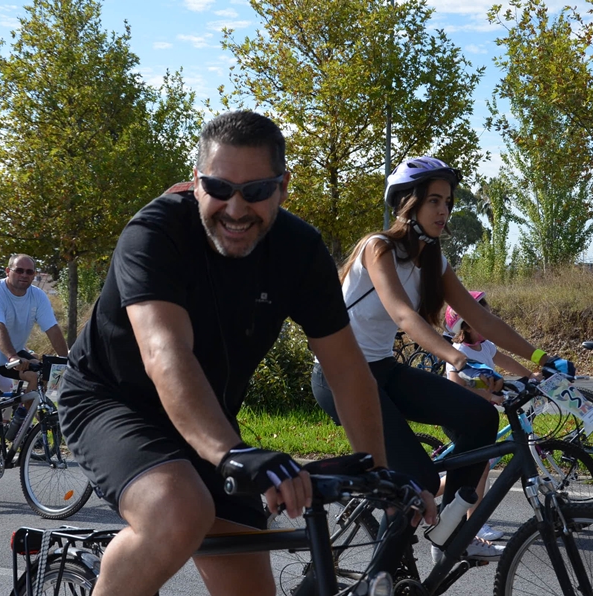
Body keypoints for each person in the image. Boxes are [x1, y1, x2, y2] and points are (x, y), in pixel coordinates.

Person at [57, 110, 434, 596]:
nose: (235, 209)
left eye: (255, 191)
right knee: (179, 510)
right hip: (113, 403)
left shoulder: (298, 250)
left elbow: (346, 369)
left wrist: (380, 476)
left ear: (282, 187)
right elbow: (165, 354)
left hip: (209, 418)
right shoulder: (153, 234)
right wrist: (231, 453)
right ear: (196, 182)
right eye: (218, 188)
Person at [311, 156, 573, 563]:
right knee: (417, 481)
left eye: (448, 202)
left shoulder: (434, 260)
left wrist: (542, 356)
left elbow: (480, 316)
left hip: (382, 369)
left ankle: (450, 530)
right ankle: (383, 575)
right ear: (406, 204)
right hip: (341, 376)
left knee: (480, 418)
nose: (443, 210)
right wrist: (459, 358)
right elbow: (402, 313)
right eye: (433, 200)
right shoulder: (377, 247)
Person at [0, 254, 68, 490]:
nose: (24, 276)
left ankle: (20, 423)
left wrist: (67, 359)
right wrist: (12, 357)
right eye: (19, 270)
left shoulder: (37, 296)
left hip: (12, 353)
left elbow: (52, 328)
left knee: (38, 378)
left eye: (30, 272)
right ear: (8, 271)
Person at [442, 291, 540, 542]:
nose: (487, 320)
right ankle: (474, 523)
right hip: (459, 416)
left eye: (487, 315)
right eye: (481, 317)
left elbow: (505, 360)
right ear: (465, 326)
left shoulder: (486, 345)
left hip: (480, 416)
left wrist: (530, 375)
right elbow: (457, 385)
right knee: (480, 467)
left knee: (470, 470)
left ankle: (425, 489)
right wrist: (489, 396)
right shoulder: (458, 351)